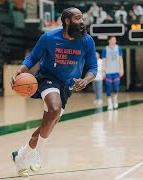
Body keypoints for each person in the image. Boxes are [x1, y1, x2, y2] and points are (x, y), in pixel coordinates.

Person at [10, 7, 97, 177]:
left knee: (49, 123)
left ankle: (21, 155)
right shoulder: (49, 37)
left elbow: (93, 67)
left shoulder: (87, 41)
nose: (81, 22)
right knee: (54, 109)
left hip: (67, 85)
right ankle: (39, 153)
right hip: (47, 78)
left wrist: (85, 80)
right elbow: (33, 56)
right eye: (77, 18)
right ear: (66, 21)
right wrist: (21, 70)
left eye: (82, 19)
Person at [101, 36, 124, 110]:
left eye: (115, 39)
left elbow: (120, 59)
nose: (114, 41)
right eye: (113, 39)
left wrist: (121, 69)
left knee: (116, 87)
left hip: (116, 71)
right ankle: (109, 103)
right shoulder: (105, 49)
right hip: (108, 72)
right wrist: (103, 71)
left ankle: (115, 100)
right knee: (108, 87)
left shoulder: (118, 48)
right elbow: (103, 61)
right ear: (109, 40)